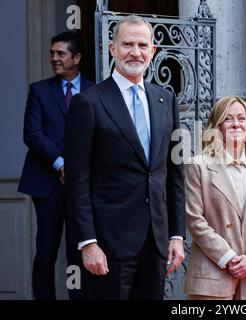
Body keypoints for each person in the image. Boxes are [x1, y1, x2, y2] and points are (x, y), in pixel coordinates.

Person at [64, 15, 186, 300]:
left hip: (155, 241)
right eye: (127, 44)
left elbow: (173, 173)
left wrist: (176, 235)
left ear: (152, 51)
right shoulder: (89, 102)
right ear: (112, 49)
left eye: (143, 44)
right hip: (108, 242)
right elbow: (76, 179)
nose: (135, 51)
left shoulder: (165, 99)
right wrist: (88, 242)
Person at [18, 31, 93, 300]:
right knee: (47, 248)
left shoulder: (94, 90)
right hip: (48, 183)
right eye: (52, 53)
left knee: (79, 248)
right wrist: (61, 164)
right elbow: (32, 134)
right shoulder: (39, 90)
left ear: (77, 57)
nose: (54, 58)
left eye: (60, 53)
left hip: (83, 184)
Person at [184, 97, 246, 300]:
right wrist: (228, 258)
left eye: (241, 118)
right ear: (217, 126)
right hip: (212, 275)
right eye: (228, 119)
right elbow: (194, 220)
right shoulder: (197, 166)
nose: (236, 124)